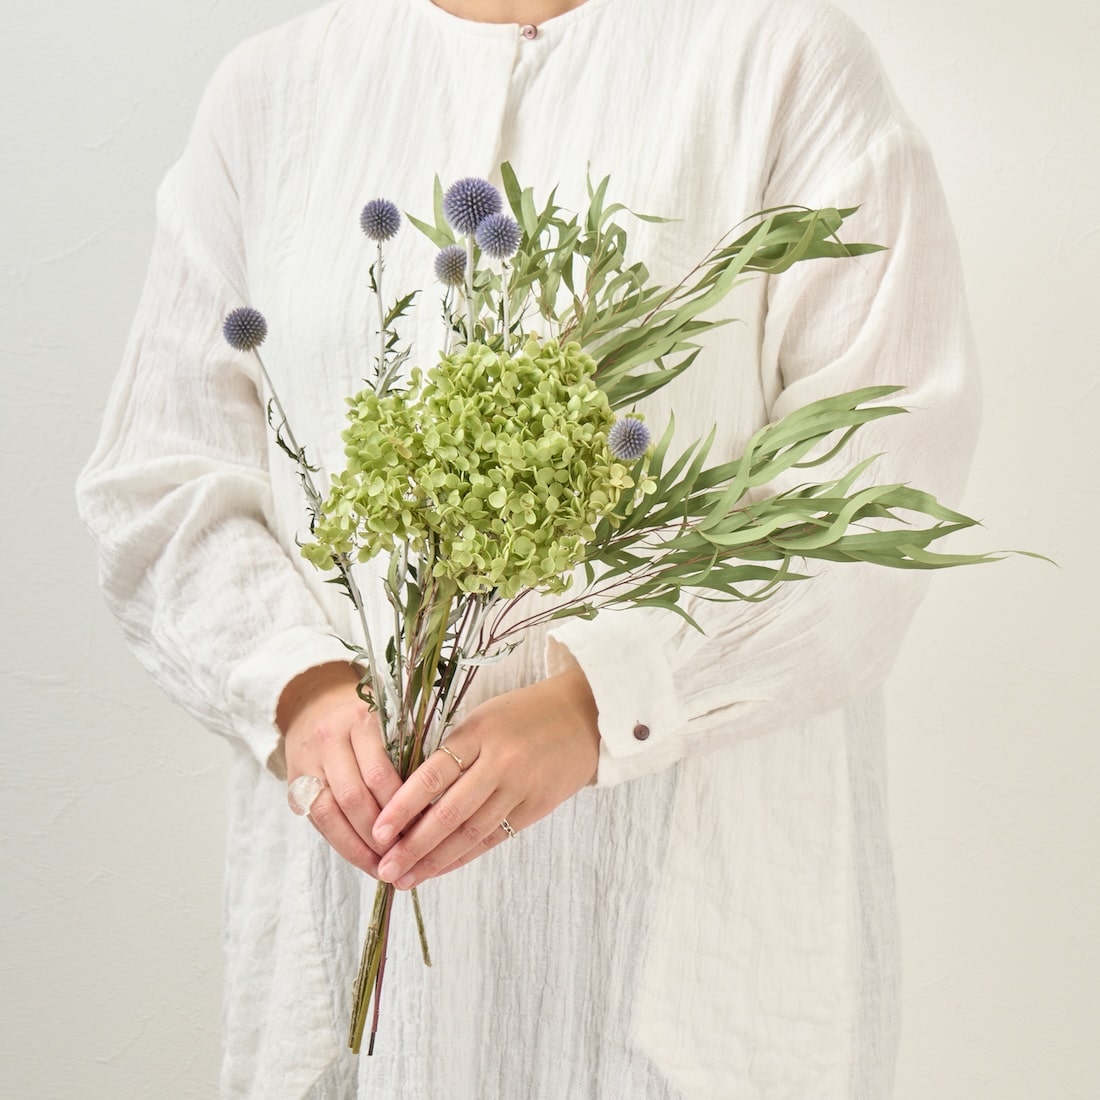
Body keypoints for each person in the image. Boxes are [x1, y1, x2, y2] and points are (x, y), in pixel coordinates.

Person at [77, 0, 980, 1096]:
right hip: (351, 963)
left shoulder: (778, 63)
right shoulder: (272, 95)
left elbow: (870, 484)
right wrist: (299, 689)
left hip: (681, 973)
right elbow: (162, 476)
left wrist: (601, 705)